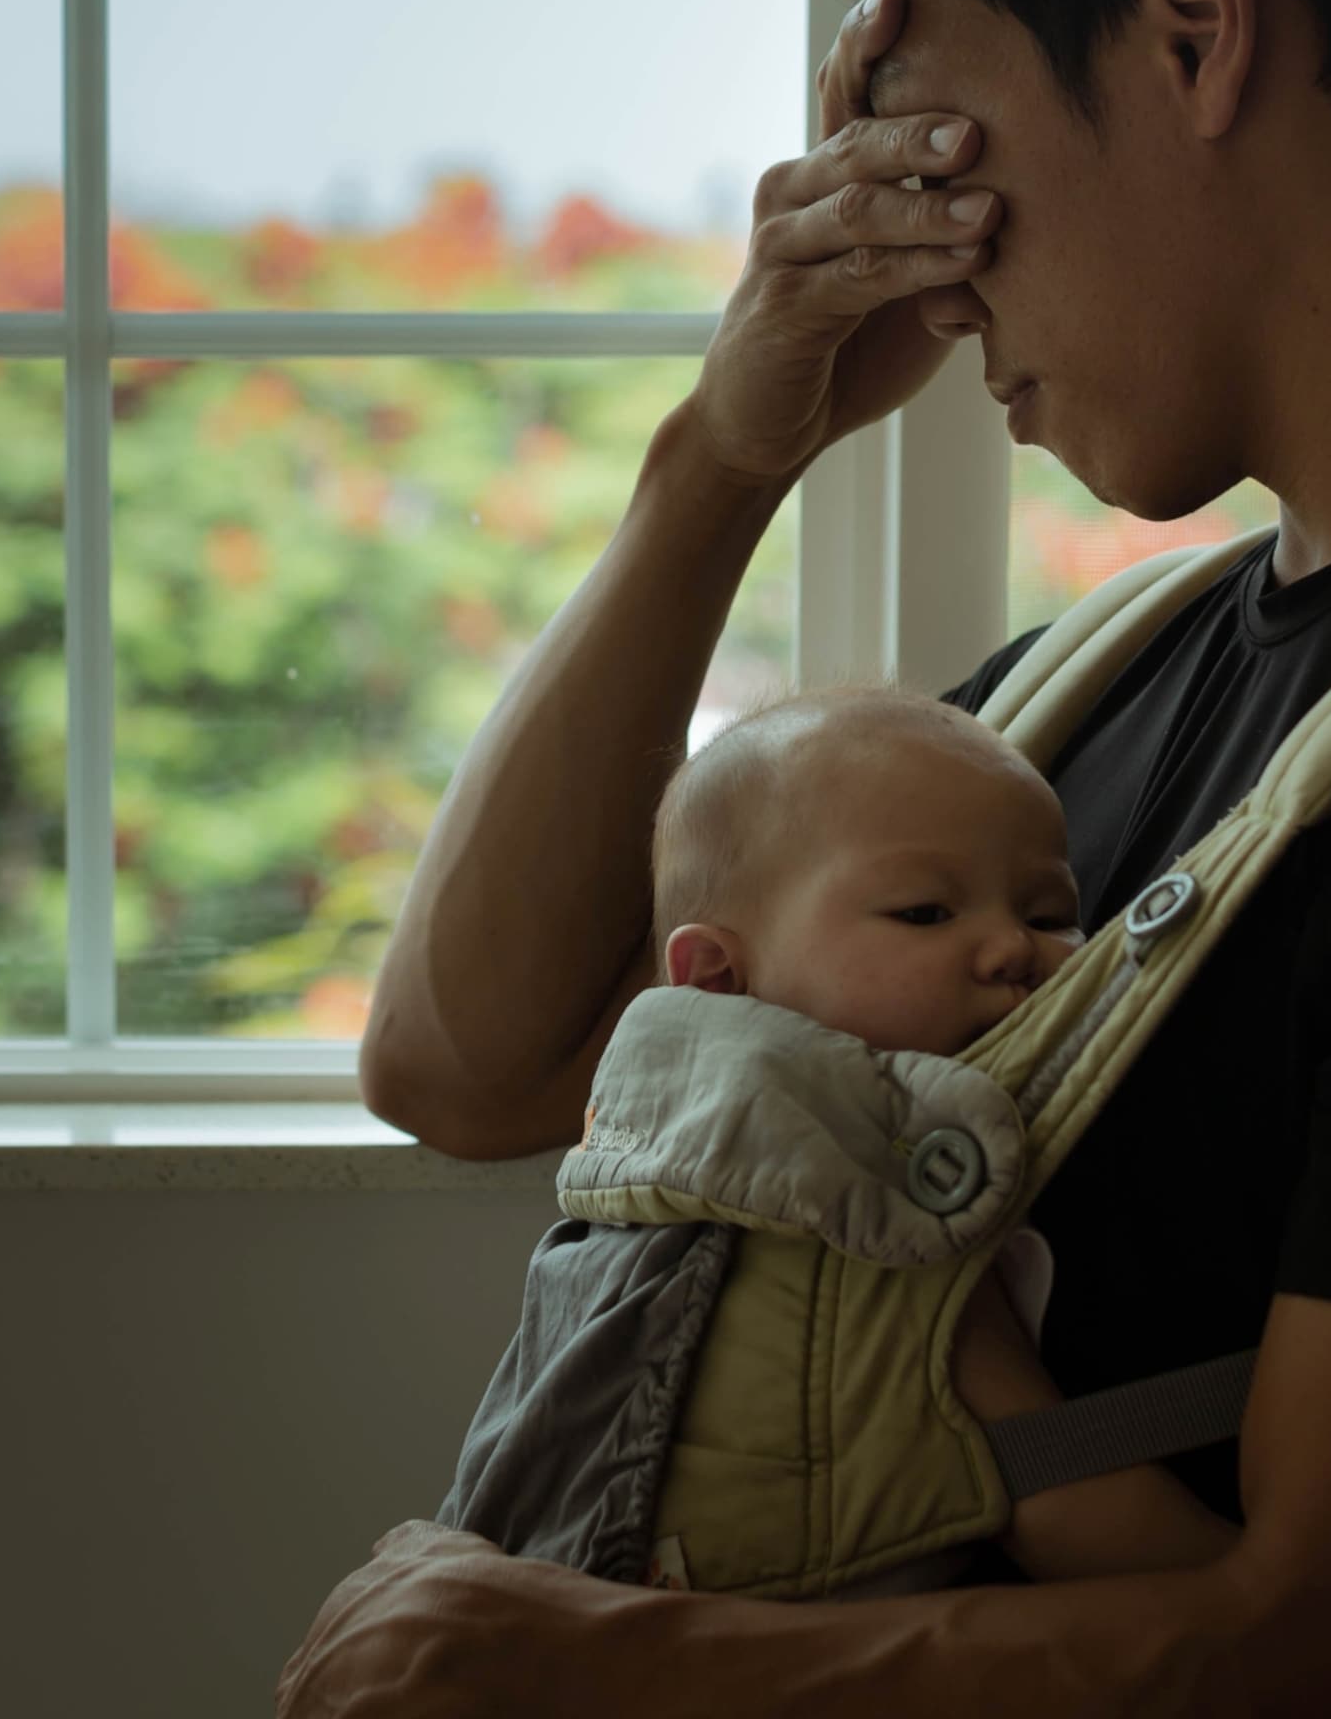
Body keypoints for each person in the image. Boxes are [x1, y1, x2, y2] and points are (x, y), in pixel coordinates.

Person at [278, 0, 1331, 1711]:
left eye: (936, 135)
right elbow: (479, 1065)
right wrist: (719, 459)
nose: (922, 246)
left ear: (1191, 28)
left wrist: (608, 1669)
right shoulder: (1101, 688)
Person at [447, 679, 1249, 1597]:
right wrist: (1261, 1606)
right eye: (925, 914)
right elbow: (1066, 1508)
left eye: (1047, 913)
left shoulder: (641, 1151)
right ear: (717, 977)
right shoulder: (871, 1216)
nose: (1012, 950)